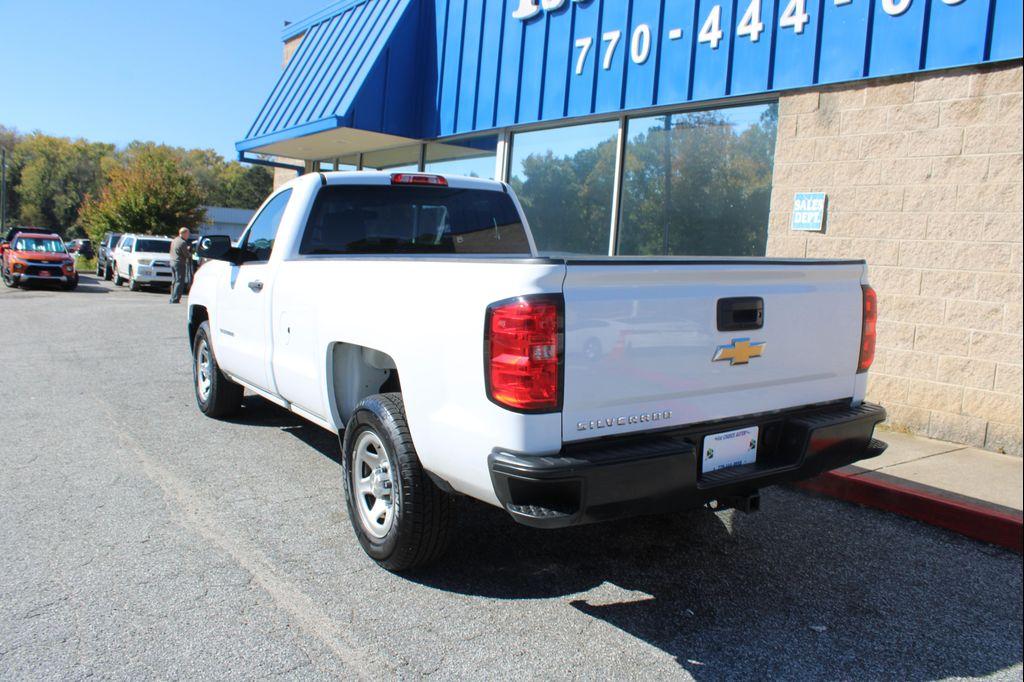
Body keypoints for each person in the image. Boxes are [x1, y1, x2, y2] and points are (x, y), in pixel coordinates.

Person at [169, 227, 192, 304]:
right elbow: (186, 254)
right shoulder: (183, 242)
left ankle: (172, 297)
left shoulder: (174, 240)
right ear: (183, 233)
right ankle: (175, 299)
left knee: (174, 280)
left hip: (172, 262)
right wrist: (190, 253)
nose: (188, 235)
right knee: (179, 281)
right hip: (179, 263)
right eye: (188, 233)